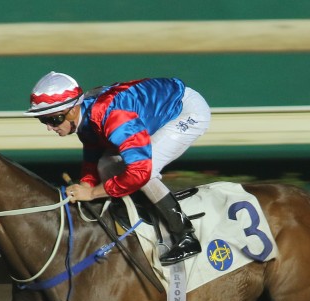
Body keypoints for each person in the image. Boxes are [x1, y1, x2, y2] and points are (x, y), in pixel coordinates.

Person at [23, 71, 211, 266]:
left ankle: (185, 235)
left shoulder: (112, 116)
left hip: (185, 111)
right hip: (151, 110)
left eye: (53, 120)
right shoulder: (83, 118)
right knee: (106, 165)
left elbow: (139, 172)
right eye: (43, 120)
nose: (49, 127)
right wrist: (86, 184)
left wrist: (93, 193)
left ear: (72, 110)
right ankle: (140, 210)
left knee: (145, 171)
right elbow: (92, 155)